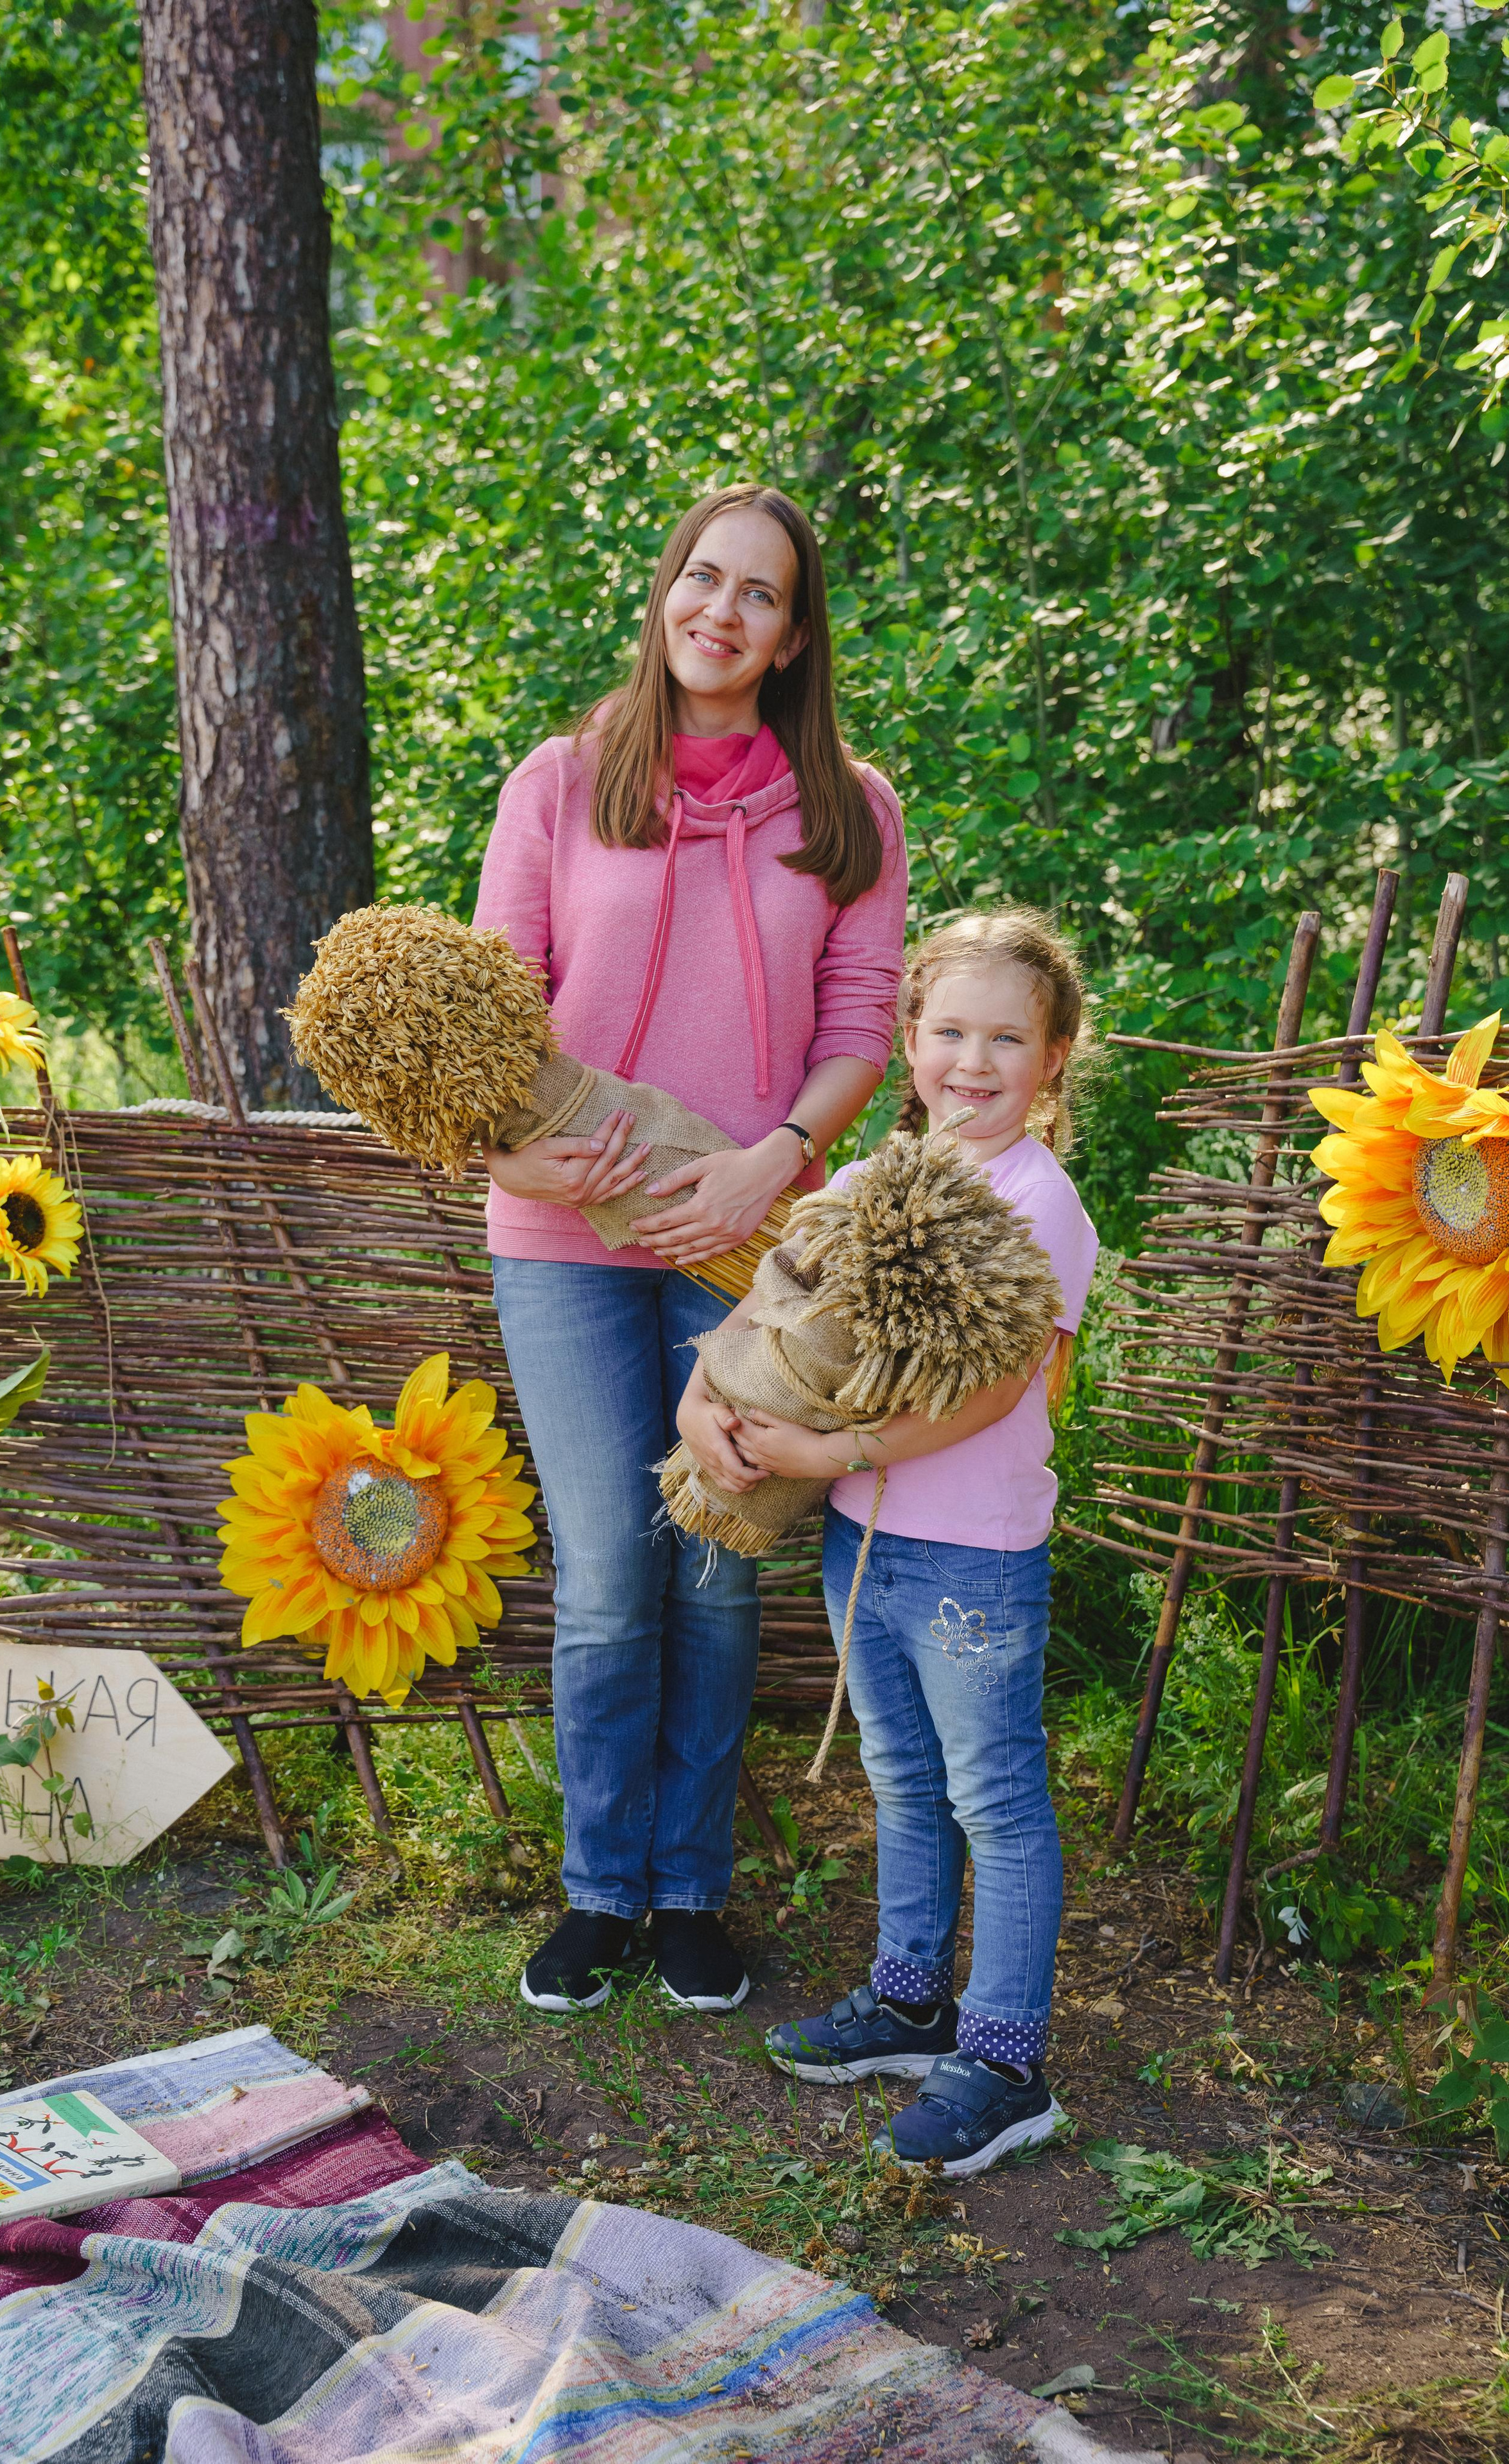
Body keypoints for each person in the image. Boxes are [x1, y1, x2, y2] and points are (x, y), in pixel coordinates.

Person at [473, 483, 908, 2017]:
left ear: (791, 639)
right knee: (607, 1569)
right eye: (701, 579)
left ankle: (689, 1895)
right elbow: (488, 1013)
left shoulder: (848, 810)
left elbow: (860, 1025)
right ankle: (600, 1891)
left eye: (758, 595)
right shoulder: (560, 781)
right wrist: (503, 1152)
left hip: (748, 1246)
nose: (720, 611)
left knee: (719, 1562)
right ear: (664, 592)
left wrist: (771, 1161)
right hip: (563, 1237)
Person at [677, 909, 1098, 2173]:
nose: (973, 1062)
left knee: (994, 1797)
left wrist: (837, 1453)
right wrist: (701, 1403)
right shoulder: (867, 1183)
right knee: (903, 1777)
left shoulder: (1038, 1203)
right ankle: (910, 2001)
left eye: (1006, 1039)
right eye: (949, 1031)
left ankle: (1005, 2063)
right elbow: (768, 1304)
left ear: (1054, 1057)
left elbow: (996, 1390)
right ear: (910, 1039)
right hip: (864, 1543)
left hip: (972, 1557)